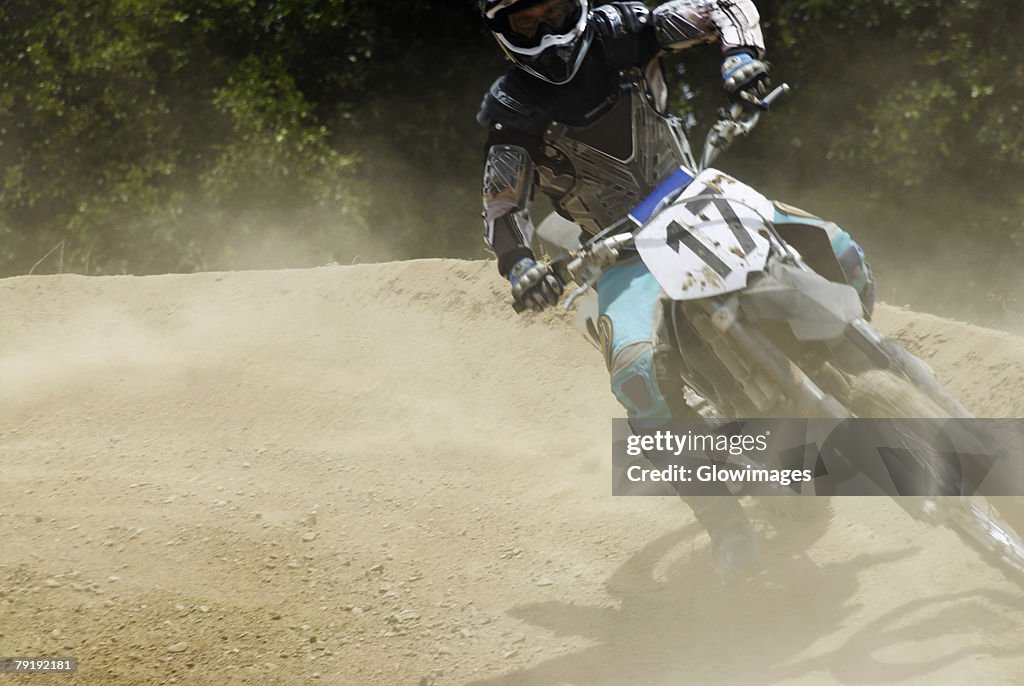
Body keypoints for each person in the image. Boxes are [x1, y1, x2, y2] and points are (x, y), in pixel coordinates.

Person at [476, 0, 874, 581]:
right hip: (616, 251)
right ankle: (723, 519)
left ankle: (870, 363)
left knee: (836, 248)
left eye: (554, 10)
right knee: (637, 375)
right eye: (528, 22)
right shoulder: (511, 106)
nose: (547, 30)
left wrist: (740, 54)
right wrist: (519, 265)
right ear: (503, 32)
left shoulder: (624, 29)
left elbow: (721, 6)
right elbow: (502, 204)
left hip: (698, 196)